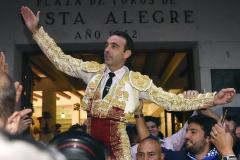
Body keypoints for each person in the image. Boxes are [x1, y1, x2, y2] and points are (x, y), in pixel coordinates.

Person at [20, 6, 236, 159]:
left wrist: (212, 98)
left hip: (118, 147)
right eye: (107, 45)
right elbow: (60, 59)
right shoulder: (92, 71)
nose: (107, 49)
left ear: (127, 53)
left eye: (114, 46)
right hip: (90, 142)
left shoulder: (136, 81)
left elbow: (172, 101)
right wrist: (37, 32)